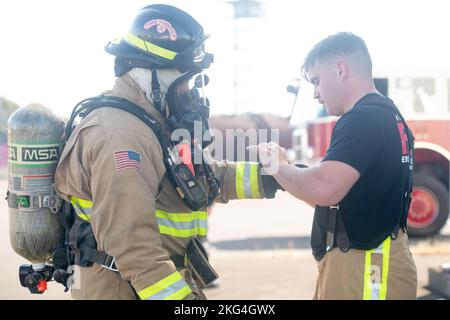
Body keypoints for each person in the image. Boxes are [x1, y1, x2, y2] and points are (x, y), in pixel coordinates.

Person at [55, 4, 280, 300]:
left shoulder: (151, 124)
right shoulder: (122, 137)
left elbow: (202, 179)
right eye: (184, 80)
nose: (189, 91)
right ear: (151, 74)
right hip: (128, 290)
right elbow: (134, 247)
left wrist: (276, 175)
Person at [251, 32, 417, 300]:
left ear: (341, 69)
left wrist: (275, 165)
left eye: (316, 81)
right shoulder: (388, 114)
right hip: (377, 262)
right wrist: (294, 173)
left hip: (365, 269)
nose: (316, 93)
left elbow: (325, 188)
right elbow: (340, 196)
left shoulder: (360, 119)